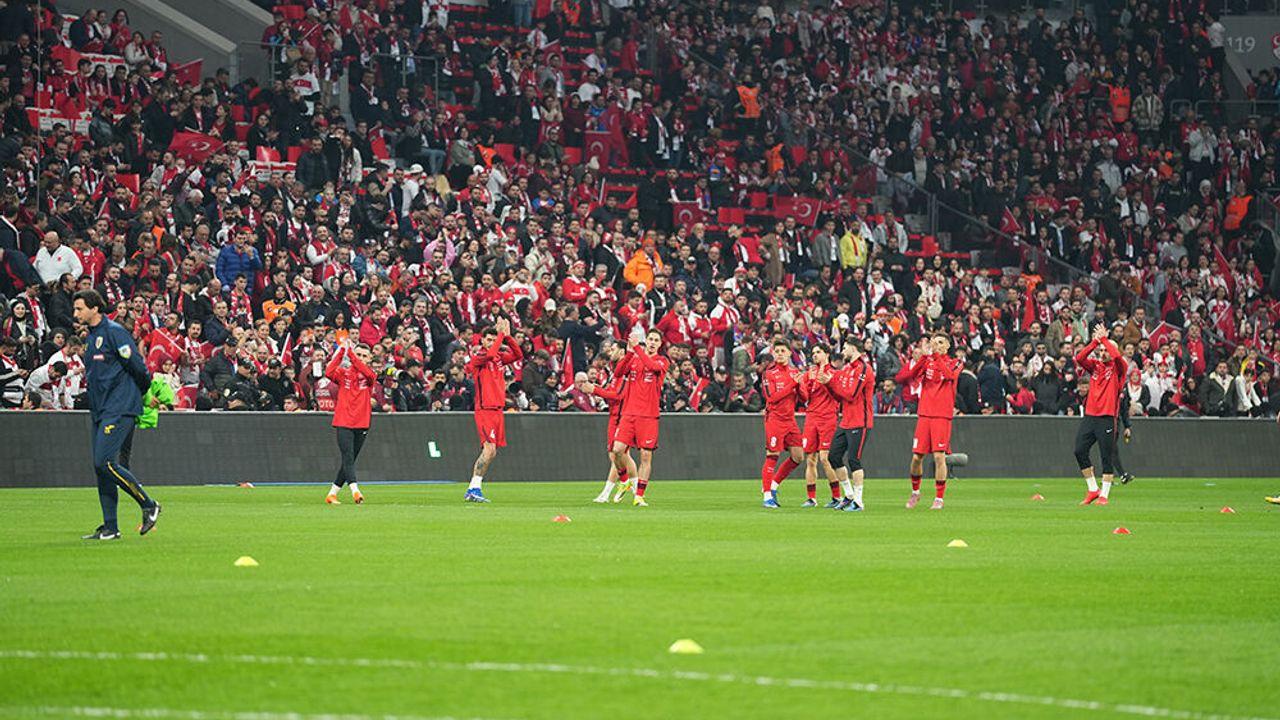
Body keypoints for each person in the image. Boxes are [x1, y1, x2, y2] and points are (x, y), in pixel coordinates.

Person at [73, 290, 161, 541]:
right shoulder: (91, 337)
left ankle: (149, 504)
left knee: (105, 462)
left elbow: (138, 367)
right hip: (100, 408)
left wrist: (136, 394)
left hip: (119, 406)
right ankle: (110, 527)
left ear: (94, 308)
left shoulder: (114, 332)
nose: (75, 313)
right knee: (101, 467)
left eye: (79, 308)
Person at [464, 317, 522, 502]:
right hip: (485, 409)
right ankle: (474, 489)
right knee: (489, 450)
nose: (491, 342)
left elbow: (518, 355)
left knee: (492, 451)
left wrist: (508, 337)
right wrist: (501, 336)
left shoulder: (499, 358)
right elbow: (489, 355)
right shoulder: (479, 357)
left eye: (493, 339)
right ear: (482, 341)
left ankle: (473, 488)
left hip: (498, 409)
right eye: (488, 339)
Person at [609, 328, 668, 507]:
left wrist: (637, 349)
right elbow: (618, 372)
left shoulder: (662, 361)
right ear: (646, 341)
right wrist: (629, 352)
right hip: (629, 413)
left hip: (649, 415)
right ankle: (624, 480)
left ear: (660, 344)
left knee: (645, 455)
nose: (652, 343)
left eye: (656, 340)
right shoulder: (634, 358)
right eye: (650, 339)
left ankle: (639, 495)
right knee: (617, 450)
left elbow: (652, 367)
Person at [904, 333, 960, 509]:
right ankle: (915, 492)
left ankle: (939, 498)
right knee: (916, 457)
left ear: (948, 346)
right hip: (925, 414)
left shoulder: (956, 363)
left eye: (940, 342)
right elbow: (912, 374)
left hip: (942, 415)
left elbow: (949, 376)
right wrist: (924, 356)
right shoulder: (928, 361)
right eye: (934, 342)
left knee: (938, 456)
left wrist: (935, 356)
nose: (937, 345)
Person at [1073, 324, 1126, 506]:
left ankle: (1104, 495)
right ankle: (1093, 489)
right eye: (1101, 350)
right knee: (1079, 451)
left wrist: (1104, 339)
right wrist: (1095, 342)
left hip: (1107, 417)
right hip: (1090, 416)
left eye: (1105, 350)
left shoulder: (1119, 368)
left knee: (1106, 456)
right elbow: (1080, 358)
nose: (1102, 353)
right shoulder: (1095, 366)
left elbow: (1117, 356)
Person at [823, 338, 875, 511]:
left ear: (853, 348)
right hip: (846, 421)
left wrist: (831, 383)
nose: (843, 351)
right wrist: (828, 385)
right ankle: (849, 495)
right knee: (833, 456)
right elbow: (839, 397)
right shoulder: (846, 370)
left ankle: (859, 502)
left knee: (853, 459)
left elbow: (851, 395)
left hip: (860, 421)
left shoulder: (864, 369)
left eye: (845, 348)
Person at [324, 341, 376, 504]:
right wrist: (341, 352)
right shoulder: (343, 374)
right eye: (358, 354)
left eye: (364, 356)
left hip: (362, 422)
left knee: (350, 460)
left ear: (370, 359)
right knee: (347, 456)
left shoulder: (370, 376)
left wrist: (352, 354)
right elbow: (328, 372)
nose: (360, 358)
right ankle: (355, 490)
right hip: (344, 421)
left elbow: (366, 372)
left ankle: (332, 494)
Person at [581, 340, 631, 503]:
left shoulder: (625, 371)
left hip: (623, 417)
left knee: (619, 454)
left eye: (613, 349)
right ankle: (631, 485)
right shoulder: (614, 370)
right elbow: (611, 391)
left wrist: (595, 390)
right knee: (616, 455)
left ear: (622, 352)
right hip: (613, 415)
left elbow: (618, 395)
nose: (610, 351)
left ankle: (608, 492)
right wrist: (598, 389)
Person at [760, 338, 804, 508]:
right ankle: (767, 496)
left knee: (798, 457)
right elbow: (771, 398)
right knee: (772, 455)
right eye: (777, 351)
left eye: (783, 351)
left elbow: (804, 398)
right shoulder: (769, 373)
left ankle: (773, 485)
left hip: (790, 419)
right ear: (773, 353)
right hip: (775, 419)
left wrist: (799, 386)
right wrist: (793, 384)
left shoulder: (794, 372)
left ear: (789, 353)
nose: (779, 354)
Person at [798, 343, 841, 508]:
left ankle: (836, 497)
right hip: (811, 417)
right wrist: (801, 385)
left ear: (827, 354)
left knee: (825, 458)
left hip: (827, 418)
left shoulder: (834, 374)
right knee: (810, 459)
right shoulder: (810, 374)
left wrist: (829, 383)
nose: (814, 355)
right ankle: (811, 498)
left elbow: (839, 396)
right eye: (813, 352)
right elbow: (804, 397)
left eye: (818, 352)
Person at [119, 372, 176, 471]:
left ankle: (123, 475)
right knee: (123, 451)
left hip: (128, 415)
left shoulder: (156, 383)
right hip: (125, 414)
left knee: (124, 451)